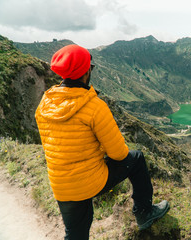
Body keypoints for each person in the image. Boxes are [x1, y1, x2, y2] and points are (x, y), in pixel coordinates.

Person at [35, 44, 169, 239]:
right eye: (91, 67)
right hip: (90, 181)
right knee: (136, 158)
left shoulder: (44, 105)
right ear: (86, 71)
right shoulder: (93, 106)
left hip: (61, 185)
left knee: (75, 234)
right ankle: (144, 213)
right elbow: (119, 154)